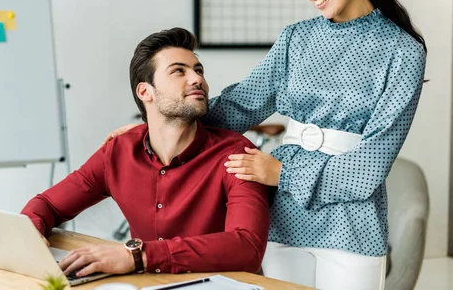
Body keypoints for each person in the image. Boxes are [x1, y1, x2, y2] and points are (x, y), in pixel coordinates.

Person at [103, 0, 426, 289]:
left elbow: (372, 162)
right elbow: (239, 106)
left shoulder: (403, 51)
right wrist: (155, 129)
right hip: (283, 215)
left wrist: (283, 173)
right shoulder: (296, 39)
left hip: (352, 220)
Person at [21, 28, 270, 278]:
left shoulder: (236, 154)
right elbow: (49, 204)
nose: (197, 79)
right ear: (145, 92)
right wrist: (30, 230)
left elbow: (247, 247)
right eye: (178, 71)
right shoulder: (119, 151)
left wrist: (139, 256)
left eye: (199, 70)